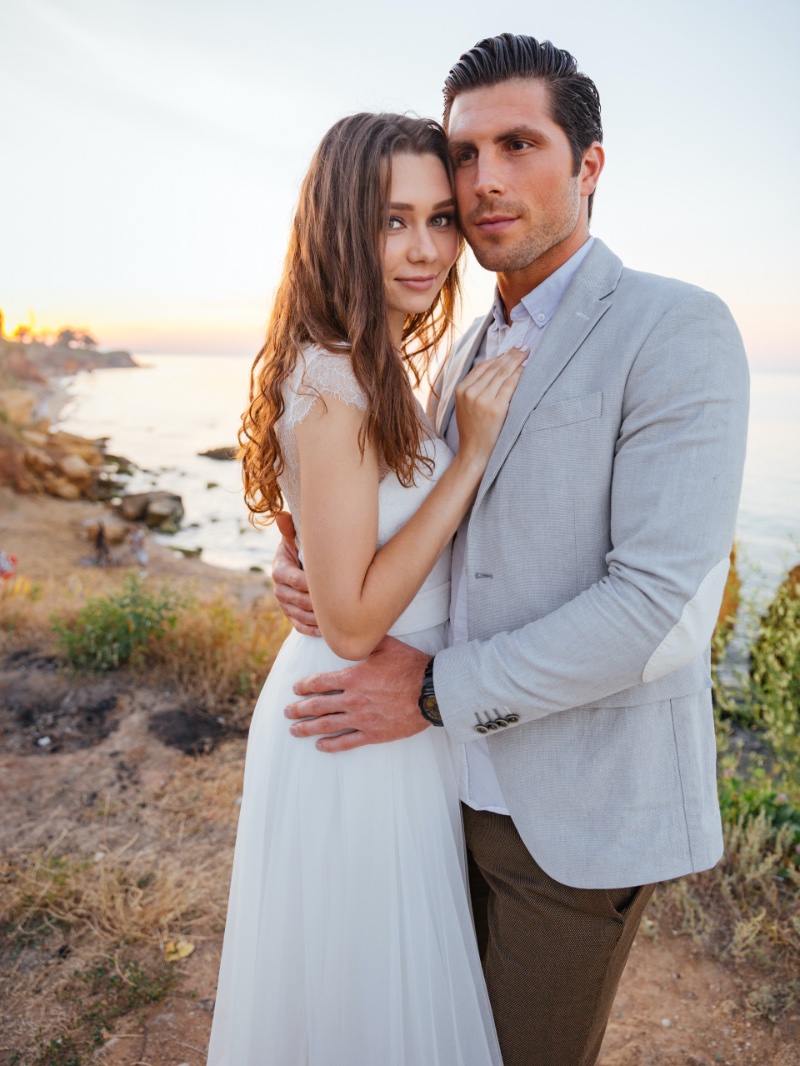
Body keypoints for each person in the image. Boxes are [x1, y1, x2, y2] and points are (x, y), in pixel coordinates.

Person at [273, 34, 751, 1066]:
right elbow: (439, 536)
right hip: (427, 793)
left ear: (587, 165)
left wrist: (433, 688)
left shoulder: (675, 329)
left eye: (519, 144)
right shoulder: (453, 356)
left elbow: (657, 612)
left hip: (569, 817)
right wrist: (320, 567)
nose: (484, 180)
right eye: (465, 152)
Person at [207, 111, 528, 1065]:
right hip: (347, 718)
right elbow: (349, 622)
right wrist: (469, 459)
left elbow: (332, 542)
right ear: (341, 227)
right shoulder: (337, 376)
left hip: (382, 715)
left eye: (440, 218)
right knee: (359, 1009)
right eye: (394, 221)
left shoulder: (378, 367)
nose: (428, 249)